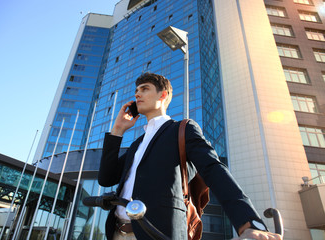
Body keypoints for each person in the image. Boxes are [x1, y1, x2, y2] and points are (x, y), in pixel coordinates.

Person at [98, 73, 282, 240]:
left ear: (163, 95)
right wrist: (117, 131)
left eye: (144, 89)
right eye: (136, 90)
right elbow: (106, 179)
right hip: (117, 233)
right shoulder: (137, 144)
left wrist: (249, 222)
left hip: (158, 232)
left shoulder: (182, 130)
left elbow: (214, 169)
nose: (137, 94)